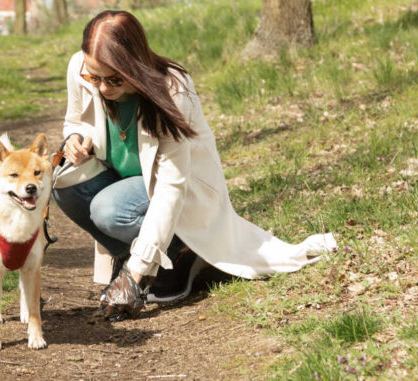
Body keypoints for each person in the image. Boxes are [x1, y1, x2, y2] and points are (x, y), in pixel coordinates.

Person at [52, 10, 337, 319]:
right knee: (63, 183)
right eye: (95, 78)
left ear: (134, 68)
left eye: (115, 80)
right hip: (122, 181)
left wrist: (137, 272)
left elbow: (170, 188)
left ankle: (179, 253)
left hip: (178, 190)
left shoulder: (172, 89)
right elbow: (74, 121)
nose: (103, 88)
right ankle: (139, 257)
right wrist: (75, 139)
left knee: (108, 210)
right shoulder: (80, 69)